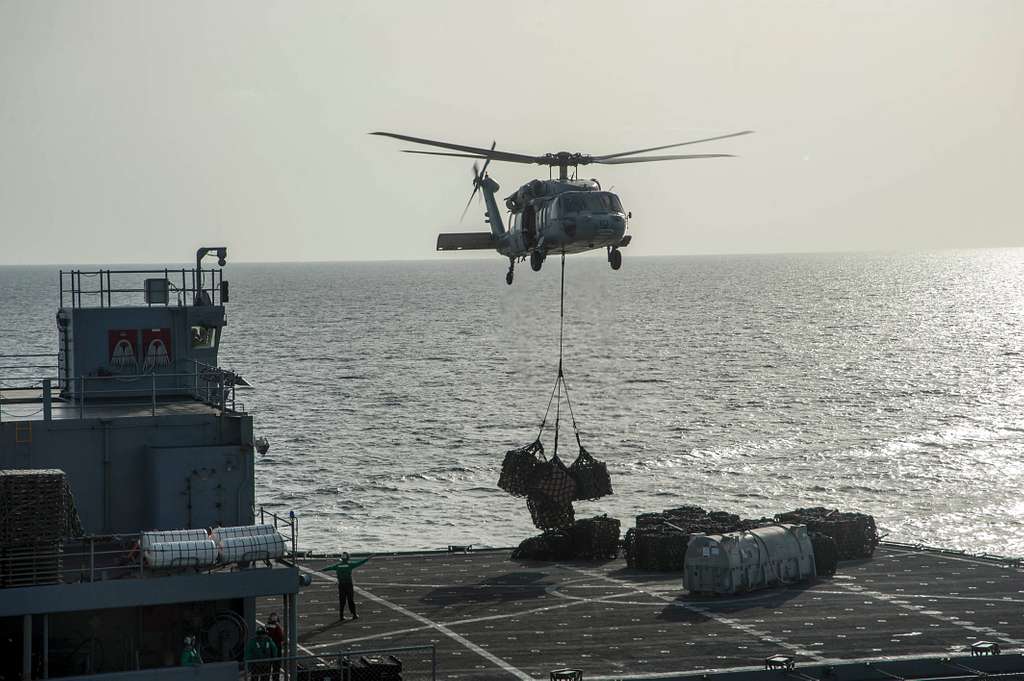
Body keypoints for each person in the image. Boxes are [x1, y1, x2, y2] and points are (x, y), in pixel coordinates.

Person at [323, 552, 372, 620]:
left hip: (341, 585)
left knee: (342, 600)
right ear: (348, 558)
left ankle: (341, 616)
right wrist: (368, 558)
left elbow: (329, 568)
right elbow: (360, 562)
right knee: (350, 600)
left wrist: (321, 570)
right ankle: (354, 614)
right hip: (348, 585)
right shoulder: (350, 565)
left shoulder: (337, 565)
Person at [266, 613, 285, 681]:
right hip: (276, 646)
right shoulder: (276, 626)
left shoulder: (268, 625)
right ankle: (275, 678)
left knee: (270, 665)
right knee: (276, 665)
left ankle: (268, 678)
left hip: (270, 647)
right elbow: (281, 636)